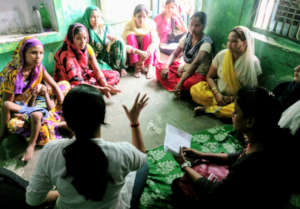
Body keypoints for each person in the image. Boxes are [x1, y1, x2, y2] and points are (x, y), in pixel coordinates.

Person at [26, 84, 149, 209]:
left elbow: (33, 200)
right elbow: (142, 158)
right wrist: (134, 122)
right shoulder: (123, 153)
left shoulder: (51, 151)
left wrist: (61, 193)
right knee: (144, 166)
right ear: (102, 117)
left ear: (66, 120)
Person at [172, 87, 295, 209]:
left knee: (178, 186)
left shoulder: (250, 163)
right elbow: (239, 155)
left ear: (250, 122)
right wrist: (201, 155)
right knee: (205, 164)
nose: (232, 114)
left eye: (236, 112)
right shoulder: (272, 136)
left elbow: (215, 192)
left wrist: (184, 165)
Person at [0, 37, 64, 162]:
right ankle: (5, 136)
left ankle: (41, 132)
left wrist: (62, 102)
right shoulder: (13, 75)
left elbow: (55, 85)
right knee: (14, 125)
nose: (38, 57)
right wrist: (24, 112)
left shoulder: (38, 68)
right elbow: (7, 104)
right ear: (23, 53)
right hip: (18, 106)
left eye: (41, 53)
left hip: (32, 104)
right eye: (33, 52)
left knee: (64, 85)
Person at [190, 26, 262, 118]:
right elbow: (209, 76)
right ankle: (217, 108)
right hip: (217, 95)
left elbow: (252, 92)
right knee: (196, 90)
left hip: (237, 100)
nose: (229, 44)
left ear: (245, 43)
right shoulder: (222, 55)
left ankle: (208, 109)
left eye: (234, 41)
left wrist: (232, 99)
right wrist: (217, 94)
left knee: (238, 110)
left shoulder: (253, 63)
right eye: (228, 40)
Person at [54, 23, 121, 98]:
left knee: (115, 74)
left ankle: (96, 90)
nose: (82, 41)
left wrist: (105, 84)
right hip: (70, 82)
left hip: (84, 76)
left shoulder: (87, 48)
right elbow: (77, 82)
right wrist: (101, 89)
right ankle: (96, 91)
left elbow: (96, 69)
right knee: (70, 90)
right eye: (78, 38)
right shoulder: (66, 55)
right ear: (72, 39)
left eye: (85, 38)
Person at [156, 11, 213, 97]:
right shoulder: (188, 36)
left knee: (188, 84)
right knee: (160, 68)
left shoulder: (206, 43)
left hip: (197, 73)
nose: (193, 28)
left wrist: (181, 82)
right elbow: (175, 54)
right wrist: (166, 67)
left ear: (203, 26)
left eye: (197, 25)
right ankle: (180, 88)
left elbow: (195, 64)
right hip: (185, 68)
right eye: (191, 25)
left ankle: (179, 86)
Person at [81, 6, 129, 77]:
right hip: (96, 60)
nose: (96, 20)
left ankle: (120, 67)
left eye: (98, 17)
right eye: (92, 17)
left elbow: (119, 41)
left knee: (118, 42)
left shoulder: (105, 28)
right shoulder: (85, 31)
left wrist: (114, 39)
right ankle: (110, 70)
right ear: (87, 18)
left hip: (107, 56)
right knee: (99, 71)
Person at [122, 4, 159, 79]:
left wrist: (147, 53)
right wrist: (138, 52)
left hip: (147, 54)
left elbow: (155, 42)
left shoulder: (150, 24)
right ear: (134, 16)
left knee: (148, 36)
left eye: (144, 17)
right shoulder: (129, 25)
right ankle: (137, 67)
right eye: (139, 16)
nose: (141, 19)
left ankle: (148, 66)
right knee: (130, 36)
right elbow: (124, 45)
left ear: (147, 17)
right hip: (135, 53)